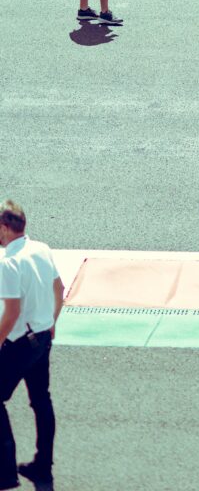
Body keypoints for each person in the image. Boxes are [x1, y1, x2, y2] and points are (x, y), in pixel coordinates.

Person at [0, 200, 64, 488]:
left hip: (19, 344)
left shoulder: (8, 262)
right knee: (41, 401)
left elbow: (11, 313)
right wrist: (52, 321)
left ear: (4, 228)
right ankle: (43, 466)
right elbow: (59, 289)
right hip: (42, 338)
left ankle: (5, 473)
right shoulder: (42, 249)